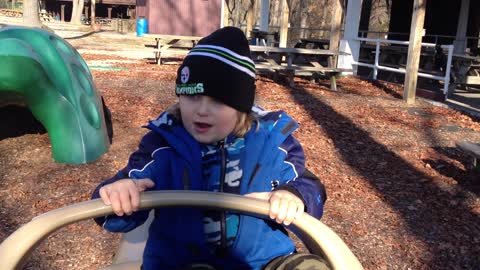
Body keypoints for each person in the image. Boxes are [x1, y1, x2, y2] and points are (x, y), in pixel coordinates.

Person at [92, 27, 328, 270]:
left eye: (218, 100)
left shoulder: (272, 144)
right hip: (181, 263)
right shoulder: (162, 146)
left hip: (264, 262)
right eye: (193, 97)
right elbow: (119, 198)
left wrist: (293, 195)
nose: (202, 110)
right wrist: (120, 194)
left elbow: (310, 186)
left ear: (241, 106)